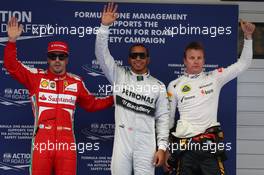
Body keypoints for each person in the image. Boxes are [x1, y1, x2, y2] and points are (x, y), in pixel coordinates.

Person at [4, 17, 114, 175]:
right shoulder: (36, 77)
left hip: (66, 142)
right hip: (42, 140)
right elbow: (11, 66)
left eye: (61, 56)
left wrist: (114, 99)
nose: (57, 60)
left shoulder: (75, 82)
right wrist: (12, 41)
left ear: (67, 59)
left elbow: (92, 104)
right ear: (48, 59)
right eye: (53, 56)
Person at [166, 20, 255, 175]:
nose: (195, 61)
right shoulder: (174, 85)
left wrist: (247, 37)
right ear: (184, 60)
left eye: (199, 58)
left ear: (204, 61)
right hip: (185, 148)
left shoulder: (214, 77)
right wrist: (166, 150)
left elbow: (243, 64)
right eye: (191, 57)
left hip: (210, 146)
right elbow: (169, 121)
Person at [95, 2, 170, 175]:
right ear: (129, 59)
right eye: (133, 55)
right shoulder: (118, 75)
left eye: (141, 55)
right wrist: (104, 27)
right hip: (123, 141)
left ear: (148, 59)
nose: (138, 59)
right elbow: (101, 54)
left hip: (146, 143)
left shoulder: (158, 86)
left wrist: (162, 148)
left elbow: (163, 119)